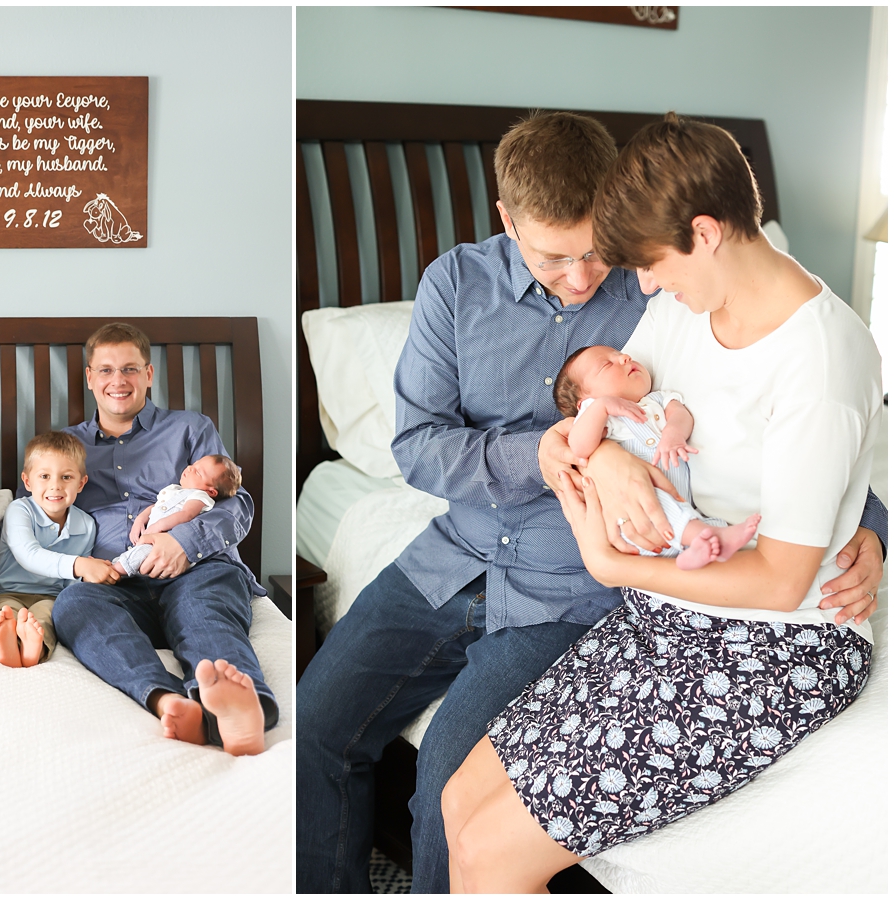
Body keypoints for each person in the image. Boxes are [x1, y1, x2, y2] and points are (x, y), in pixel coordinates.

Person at [294, 112, 887, 893]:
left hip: (577, 583)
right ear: (507, 221)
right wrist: (578, 449)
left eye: (599, 253)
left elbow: (812, 432)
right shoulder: (459, 286)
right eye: (555, 256)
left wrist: (871, 526)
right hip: (461, 553)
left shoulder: (666, 291)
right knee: (315, 727)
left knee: (444, 787)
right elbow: (415, 448)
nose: (590, 277)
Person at [50, 322, 277, 757]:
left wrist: (183, 545)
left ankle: (242, 710)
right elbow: (33, 522)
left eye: (131, 369)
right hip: (117, 583)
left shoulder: (191, 429)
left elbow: (237, 505)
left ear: (149, 375)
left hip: (196, 571)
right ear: (90, 377)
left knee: (202, 613)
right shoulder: (63, 449)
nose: (118, 381)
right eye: (107, 370)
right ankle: (169, 699)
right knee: (74, 605)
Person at [553, 344, 761, 569]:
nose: (624, 357)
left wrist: (674, 433)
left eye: (619, 354)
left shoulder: (658, 400)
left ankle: (698, 549)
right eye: (606, 364)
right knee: (652, 499)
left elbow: (680, 415)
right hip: (636, 519)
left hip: (680, 507)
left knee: (692, 515)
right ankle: (711, 537)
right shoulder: (599, 416)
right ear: (585, 401)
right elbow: (579, 446)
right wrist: (601, 407)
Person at [0, 431, 118, 668]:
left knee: (44, 619)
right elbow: (29, 556)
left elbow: (72, 584)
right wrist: (80, 565)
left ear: (81, 483)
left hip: (52, 597)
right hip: (9, 591)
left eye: (66, 477)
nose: (55, 486)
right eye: (45, 476)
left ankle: (33, 651)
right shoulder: (20, 510)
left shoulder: (86, 524)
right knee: (6, 614)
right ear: (27, 482)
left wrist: (91, 577)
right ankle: (9, 646)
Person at [112, 454, 243, 576]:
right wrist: (140, 519)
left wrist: (158, 526)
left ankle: (116, 572)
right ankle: (117, 564)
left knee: (141, 555)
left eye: (198, 472)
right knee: (134, 553)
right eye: (194, 464)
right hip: (150, 538)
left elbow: (187, 514)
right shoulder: (174, 490)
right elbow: (155, 507)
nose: (190, 468)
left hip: (166, 544)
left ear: (211, 491)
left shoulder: (200, 496)